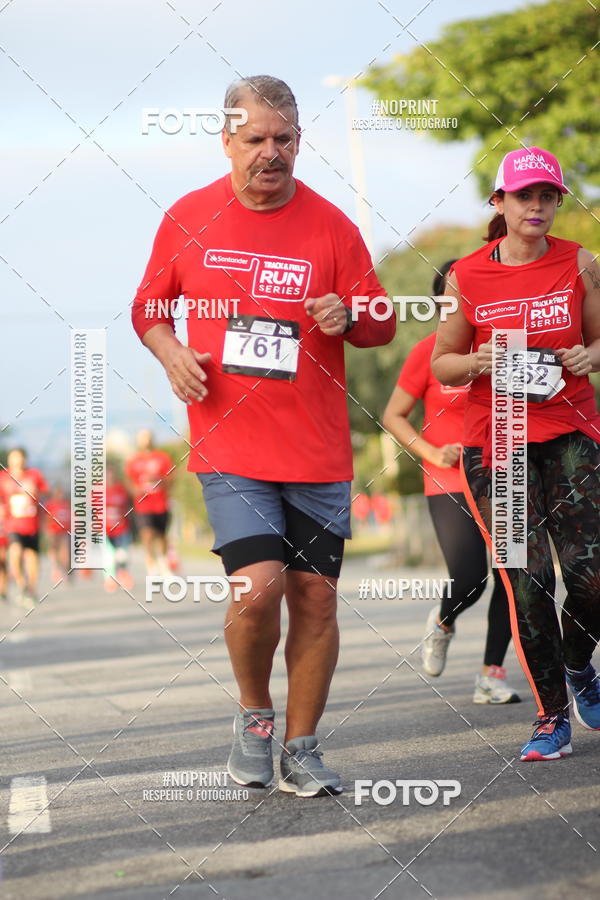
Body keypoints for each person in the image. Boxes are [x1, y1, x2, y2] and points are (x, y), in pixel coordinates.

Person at [131, 75, 395, 796]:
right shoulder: (188, 217)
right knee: (259, 588)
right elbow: (148, 307)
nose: (270, 154)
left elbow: (381, 322)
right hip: (232, 445)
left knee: (315, 598)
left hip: (316, 450)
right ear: (227, 141)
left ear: (301, 141)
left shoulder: (333, 226)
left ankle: (303, 748)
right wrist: (171, 351)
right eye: (255, 140)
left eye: (284, 139)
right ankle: (255, 716)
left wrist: (351, 317)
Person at [431, 146, 600, 761]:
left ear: (557, 202)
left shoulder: (580, 263)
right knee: (527, 580)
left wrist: (591, 356)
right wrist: (478, 361)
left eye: (547, 195)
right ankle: (551, 717)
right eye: (523, 195)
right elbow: (442, 361)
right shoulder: (467, 275)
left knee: (591, 578)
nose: (536, 206)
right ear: (498, 203)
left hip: (571, 430)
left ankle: (580, 665)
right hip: (496, 440)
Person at [383, 262, 520, 704]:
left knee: (513, 576)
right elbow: (393, 416)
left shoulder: (505, 348)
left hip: (505, 474)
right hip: (447, 478)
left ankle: (490, 675)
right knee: (470, 577)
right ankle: (443, 622)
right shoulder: (427, 352)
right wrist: (431, 452)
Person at [0, 448, 48, 608]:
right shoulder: (3, 477)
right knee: (15, 551)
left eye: (20, 458)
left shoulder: (34, 475)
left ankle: (31, 589)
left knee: (31, 556)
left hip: (32, 524)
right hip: (13, 524)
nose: (17, 461)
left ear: (25, 459)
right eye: (14, 458)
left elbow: (45, 492)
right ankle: (21, 583)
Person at [125, 430, 173, 576]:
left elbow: (170, 476)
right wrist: (135, 490)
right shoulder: (134, 460)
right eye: (143, 438)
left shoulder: (162, 457)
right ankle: (151, 566)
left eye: (148, 438)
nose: (146, 441)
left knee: (162, 535)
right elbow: (128, 479)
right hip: (143, 505)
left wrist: (161, 482)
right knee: (147, 534)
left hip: (160, 504)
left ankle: (164, 563)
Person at [105, 465, 134, 592]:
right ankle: (110, 578)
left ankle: (123, 574)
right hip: (105, 529)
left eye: (112, 475)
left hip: (122, 527)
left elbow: (128, 506)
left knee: (122, 554)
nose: (110, 477)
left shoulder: (121, 489)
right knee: (109, 555)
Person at [45, 485, 71, 583]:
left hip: (64, 531)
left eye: (61, 493)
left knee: (65, 552)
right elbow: (46, 517)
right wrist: (48, 530)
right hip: (53, 531)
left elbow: (72, 517)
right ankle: (55, 568)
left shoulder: (66, 504)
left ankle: (65, 570)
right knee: (54, 551)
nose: (60, 495)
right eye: (58, 493)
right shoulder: (50, 504)